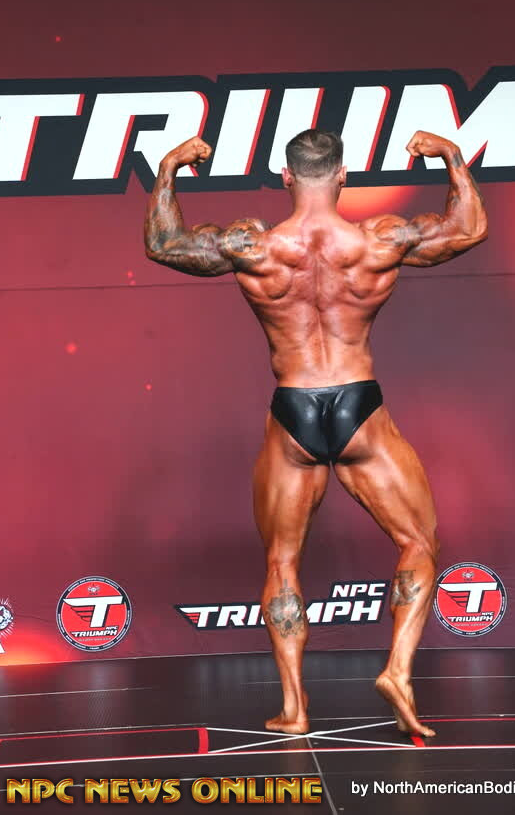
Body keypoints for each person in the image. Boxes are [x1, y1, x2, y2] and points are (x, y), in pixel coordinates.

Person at [144, 128, 488, 738]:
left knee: (282, 559)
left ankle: (295, 708)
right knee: (417, 540)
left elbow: (165, 244)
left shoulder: (256, 245)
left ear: (286, 177)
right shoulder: (378, 239)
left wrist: (169, 167)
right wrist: (451, 157)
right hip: (358, 403)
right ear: (343, 176)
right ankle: (398, 672)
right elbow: (467, 230)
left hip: (294, 408)